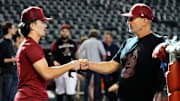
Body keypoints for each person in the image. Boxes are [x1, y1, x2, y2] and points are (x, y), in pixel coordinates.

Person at [80, 3, 166, 101]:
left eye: (131, 19)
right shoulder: (128, 42)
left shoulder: (158, 42)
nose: (128, 22)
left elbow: (163, 71)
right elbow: (111, 65)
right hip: (122, 97)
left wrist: (158, 93)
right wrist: (88, 65)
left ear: (144, 21)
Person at [14, 7, 80, 101]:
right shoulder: (31, 46)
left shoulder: (29, 45)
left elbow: (45, 72)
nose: (45, 26)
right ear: (32, 25)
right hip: (31, 98)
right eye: (42, 22)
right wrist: (71, 65)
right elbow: (47, 73)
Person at [51, 24, 79, 101]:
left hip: (71, 70)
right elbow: (52, 55)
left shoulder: (73, 43)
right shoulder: (56, 43)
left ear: (69, 32)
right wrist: (54, 61)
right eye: (63, 31)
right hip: (59, 69)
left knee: (70, 93)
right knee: (60, 92)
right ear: (60, 32)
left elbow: (77, 56)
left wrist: (79, 66)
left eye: (66, 31)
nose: (64, 33)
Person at [78, 29, 106, 101]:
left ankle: (85, 99)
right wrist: (102, 62)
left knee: (87, 84)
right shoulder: (98, 42)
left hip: (88, 64)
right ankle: (96, 99)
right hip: (97, 65)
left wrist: (82, 61)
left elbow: (79, 53)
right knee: (97, 84)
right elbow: (104, 54)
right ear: (96, 35)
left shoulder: (86, 42)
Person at [0, 21, 17, 101]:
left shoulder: (11, 42)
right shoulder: (2, 43)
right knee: (5, 96)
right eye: (13, 28)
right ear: (9, 30)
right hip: (6, 73)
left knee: (12, 96)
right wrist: (13, 59)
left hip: (14, 72)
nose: (15, 30)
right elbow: (1, 60)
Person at [102, 31, 120, 101]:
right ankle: (108, 96)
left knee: (115, 84)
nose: (106, 39)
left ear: (111, 38)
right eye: (105, 38)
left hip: (114, 68)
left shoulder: (115, 46)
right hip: (105, 68)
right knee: (107, 83)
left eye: (108, 38)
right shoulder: (102, 45)